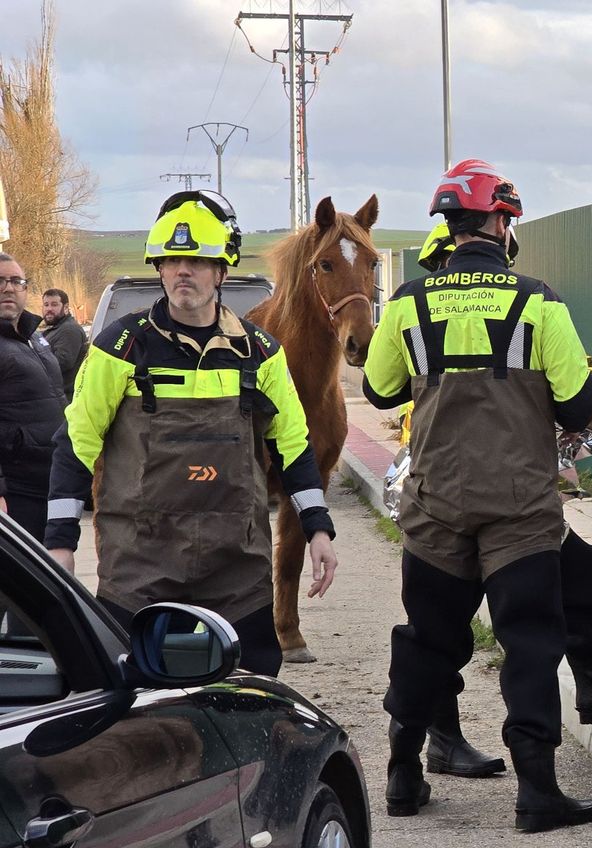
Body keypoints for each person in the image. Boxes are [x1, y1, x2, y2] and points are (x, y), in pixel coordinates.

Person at [364, 159, 592, 833]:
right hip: (519, 510)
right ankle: (537, 792)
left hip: (436, 502)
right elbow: (580, 403)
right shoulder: (538, 301)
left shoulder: (411, 301)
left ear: (450, 225)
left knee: (428, 641)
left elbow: (381, 389)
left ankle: (403, 774)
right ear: (501, 222)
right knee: (529, 641)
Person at [408, 219, 592, 782]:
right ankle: (443, 738)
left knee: (578, 567)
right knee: (448, 626)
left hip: (490, 477)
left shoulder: (447, 303)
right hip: (457, 484)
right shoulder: (442, 309)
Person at [42, 191, 338, 677]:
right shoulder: (120, 347)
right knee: (132, 703)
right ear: (158, 269)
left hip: (236, 570)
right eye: (172, 260)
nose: (184, 271)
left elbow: (294, 448)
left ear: (222, 271)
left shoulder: (260, 353)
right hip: (139, 571)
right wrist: (60, 543)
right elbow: (75, 446)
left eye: (198, 261)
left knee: (248, 701)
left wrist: (318, 528)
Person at [0, 253, 65, 540]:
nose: (9, 288)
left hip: (50, 481)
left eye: (16, 281)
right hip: (16, 492)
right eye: (0, 281)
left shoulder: (34, 337)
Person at [39, 287, 87, 401]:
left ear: (65, 307)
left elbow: (62, 362)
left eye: (54, 304)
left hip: (65, 398)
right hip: (55, 395)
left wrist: (33, 365)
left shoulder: (69, 330)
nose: (49, 309)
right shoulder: (57, 329)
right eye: (46, 305)